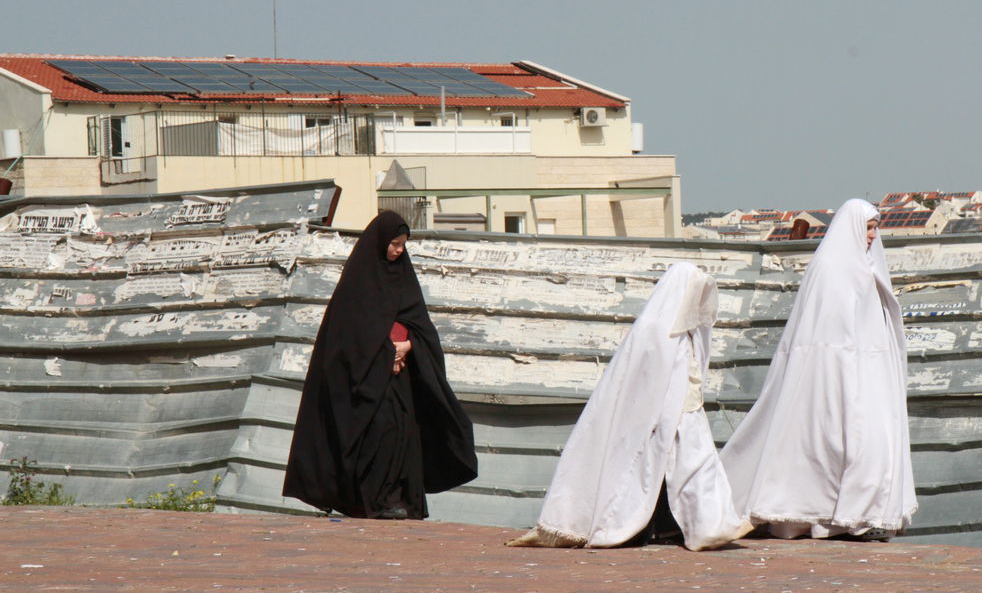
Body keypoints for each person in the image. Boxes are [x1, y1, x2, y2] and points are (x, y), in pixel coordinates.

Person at [509, 262, 751, 551]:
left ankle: (710, 528)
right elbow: (642, 380)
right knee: (651, 473)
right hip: (656, 416)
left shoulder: (688, 331)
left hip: (685, 413)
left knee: (693, 468)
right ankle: (696, 528)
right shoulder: (653, 329)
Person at [720, 198, 916, 540]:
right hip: (832, 373)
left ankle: (859, 517)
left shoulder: (866, 267)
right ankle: (827, 516)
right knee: (830, 445)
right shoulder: (830, 268)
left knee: (869, 444)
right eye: (869, 228)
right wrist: (844, 374)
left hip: (866, 372)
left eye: (875, 228)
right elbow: (826, 331)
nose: (873, 235)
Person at [283, 211, 477, 519]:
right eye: (394, 244)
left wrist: (408, 347)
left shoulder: (405, 280)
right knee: (379, 432)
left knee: (404, 434)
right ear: (379, 243)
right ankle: (375, 501)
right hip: (367, 383)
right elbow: (348, 339)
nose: (399, 250)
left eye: (403, 245)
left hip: (402, 380)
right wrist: (386, 354)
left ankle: (400, 500)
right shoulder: (357, 284)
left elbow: (422, 329)